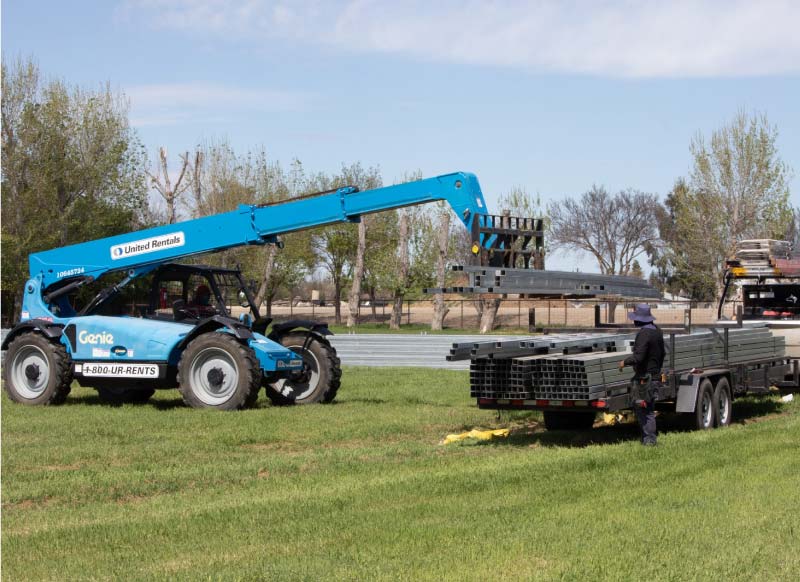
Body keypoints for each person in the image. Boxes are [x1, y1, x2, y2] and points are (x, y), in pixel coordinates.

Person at [618, 303, 665, 446]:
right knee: (648, 408)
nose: (634, 321)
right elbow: (662, 353)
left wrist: (624, 362)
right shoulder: (657, 330)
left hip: (645, 378)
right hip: (654, 375)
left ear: (641, 319)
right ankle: (648, 439)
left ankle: (649, 441)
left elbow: (638, 357)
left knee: (644, 410)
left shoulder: (644, 333)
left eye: (635, 318)